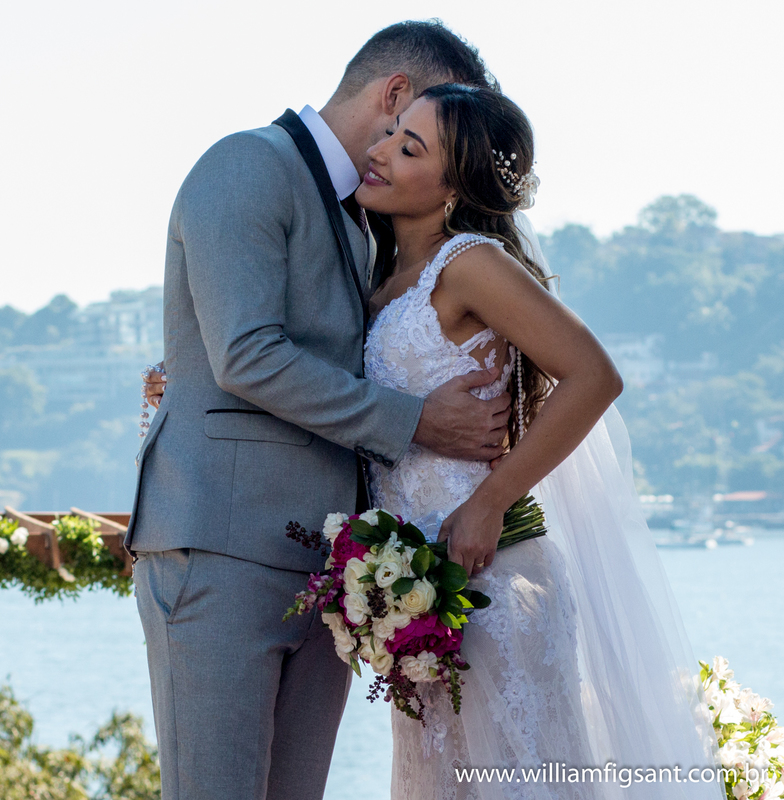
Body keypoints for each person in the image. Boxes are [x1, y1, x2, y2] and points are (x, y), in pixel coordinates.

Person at [145, 83, 721, 799]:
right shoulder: (378, 273)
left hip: (496, 583)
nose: (379, 152)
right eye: (390, 133)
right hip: (421, 606)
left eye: (408, 147)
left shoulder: (469, 264)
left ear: (454, 187)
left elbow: (594, 376)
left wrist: (489, 503)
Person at [125, 20, 509, 800]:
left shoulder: (363, 217)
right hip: (219, 553)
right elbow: (245, 355)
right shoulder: (247, 165)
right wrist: (414, 420)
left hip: (324, 574)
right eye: (434, 125)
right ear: (397, 96)